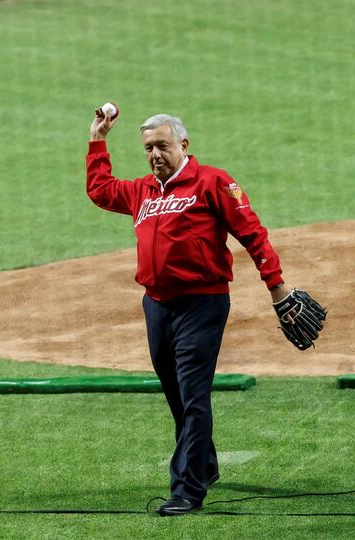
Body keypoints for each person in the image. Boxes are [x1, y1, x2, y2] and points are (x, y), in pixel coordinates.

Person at [86, 109, 291, 516]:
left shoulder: (213, 182)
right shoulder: (142, 190)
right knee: (177, 394)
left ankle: (187, 490)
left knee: (194, 395)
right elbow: (100, 190)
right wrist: (97, 140)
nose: (156, 155)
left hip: (203, 302)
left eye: (163, 145)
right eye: (148, 148)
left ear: (184, 145)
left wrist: (277, 285)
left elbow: (252, 232)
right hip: (156, 305)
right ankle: (205, 464)